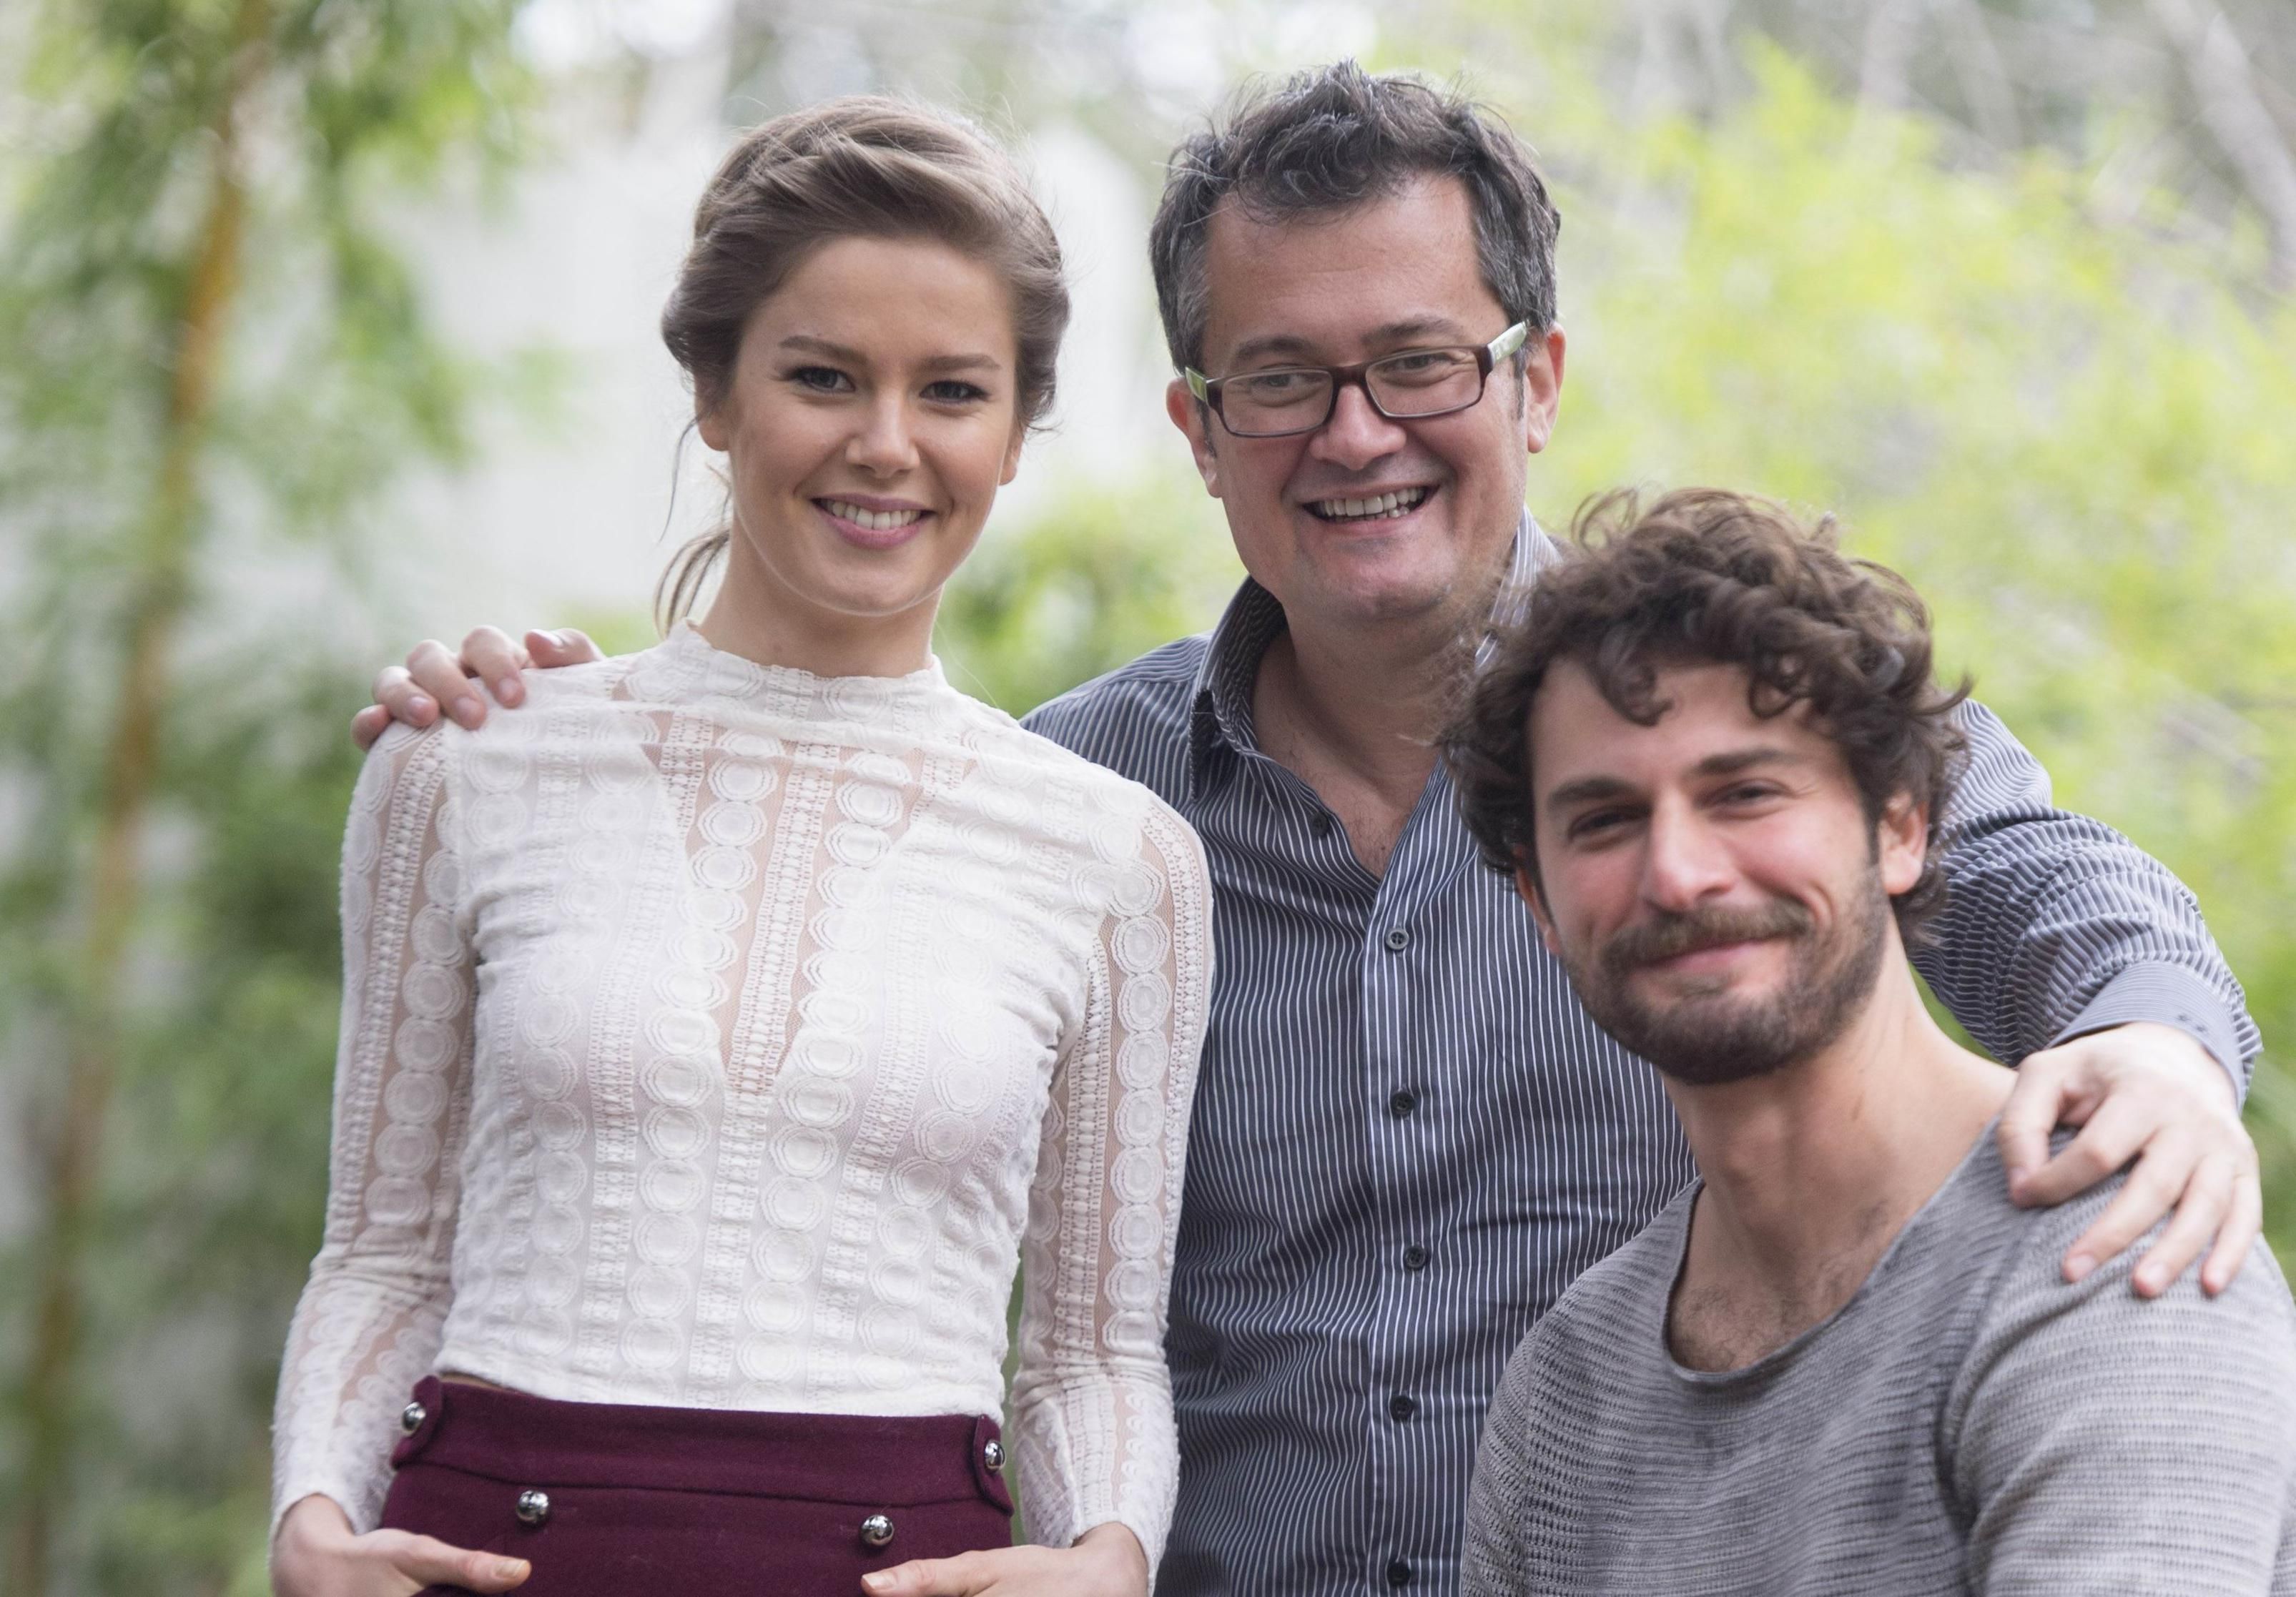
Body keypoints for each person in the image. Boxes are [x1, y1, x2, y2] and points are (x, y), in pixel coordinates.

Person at [350, 66, 2265, 1596]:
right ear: (1198, 430)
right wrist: (550, 731)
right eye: (1279, 380)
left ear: (1534, 379)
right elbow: (744, 1090)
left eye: (1418, 361)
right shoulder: (1072, 809)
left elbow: (2050, 885)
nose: (1355, 434)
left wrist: (2163, 1054)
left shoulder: (1710, 722)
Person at [269, 99, 1212, 1597]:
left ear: (1015, 431)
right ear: (715, 392)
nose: (885, 444)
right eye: (823, 375)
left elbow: (1092, 1352)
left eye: (952, 390)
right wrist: (312, 1519)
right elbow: (383, 1252)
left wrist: (1107, 1555)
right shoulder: (466, 762)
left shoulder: (1117, 858)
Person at [1447, 488, 2296, 1595]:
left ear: (1901, 824)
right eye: (1605, 819)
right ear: (1538, 900)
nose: (1679, 874)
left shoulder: (2118, 1251)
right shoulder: (1567, 1387)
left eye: (1745, 792)